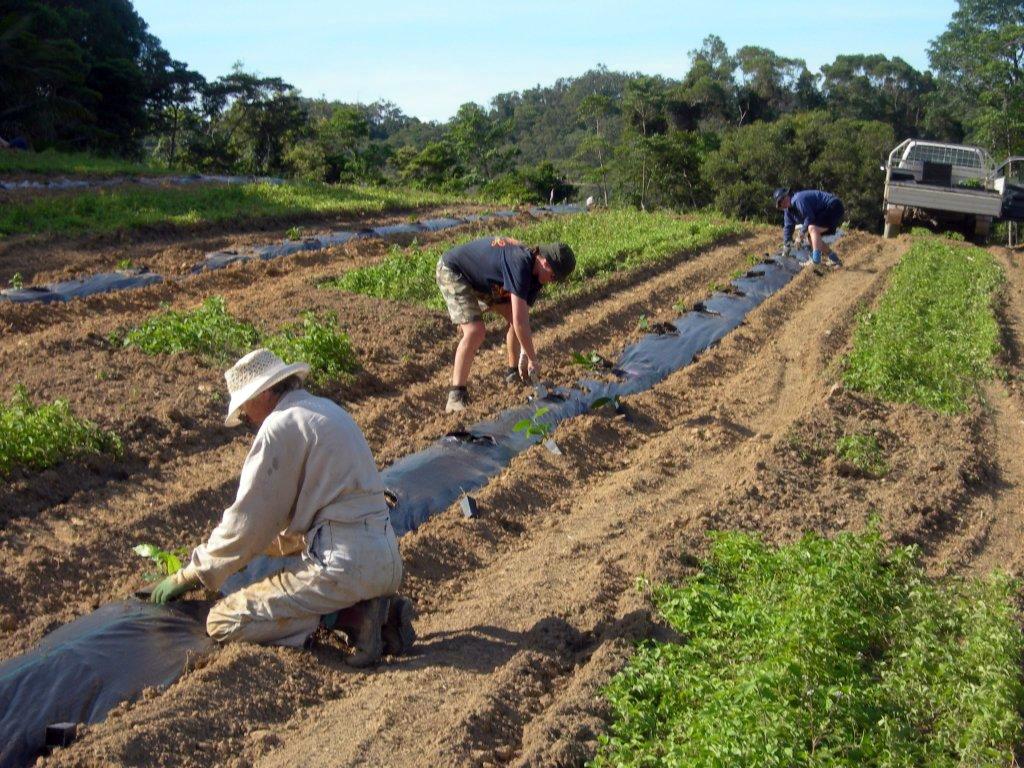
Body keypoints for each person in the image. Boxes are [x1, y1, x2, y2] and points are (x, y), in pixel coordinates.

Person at [151, 348, 414, 666]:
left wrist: (194, 573)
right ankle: (374, 611)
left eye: (245, 405)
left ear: (262, 393)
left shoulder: (280, 426)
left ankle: (352, 617)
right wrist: (249, 553)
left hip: (342, 565)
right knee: (285, 575)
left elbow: (247, 523)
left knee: (223, 621)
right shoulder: (325, 410)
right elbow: (288, 528)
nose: (246, 416)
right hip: (384, 556)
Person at [436, 235, 576, 413]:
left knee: (512, 315)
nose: (552, 281)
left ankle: (512, 374)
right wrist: (532, 358)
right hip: (455, 271)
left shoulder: (536, 277)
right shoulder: (520, 263)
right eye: (554, 276)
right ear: (546, 263)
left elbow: (519, 318)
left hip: (485, 282)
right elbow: (520, 322)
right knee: (475, 331)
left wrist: (524, 353)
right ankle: (456, 395)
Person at [773, 187, 844, 267]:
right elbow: (788, 227)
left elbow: (809, 217)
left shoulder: (798, 199)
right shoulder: (788, 211)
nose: (783, 203)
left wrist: (801, 235)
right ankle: (834, 259)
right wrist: (787, 244)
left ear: (788, 195)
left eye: (783, 199)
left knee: (812, 228)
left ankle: (815, 260)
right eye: (780, 202)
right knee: (811, 238)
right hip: (825, 211)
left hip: (833, 206)